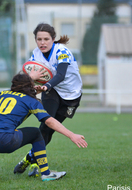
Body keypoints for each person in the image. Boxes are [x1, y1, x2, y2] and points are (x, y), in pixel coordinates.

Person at [14, 23, 83, 177]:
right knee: (46, 124)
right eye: (39, 39)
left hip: (71, 95)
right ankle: (36, 163)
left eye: (46, 39)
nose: (42, 42)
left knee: (50, 130)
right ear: (35, 40)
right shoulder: (35, 54)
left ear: (53, 39)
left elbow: (61, 74)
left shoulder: (62, 51)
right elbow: (33, 75)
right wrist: (36, 84)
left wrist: (46, 85)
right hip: (51, 91)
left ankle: (28, 158)